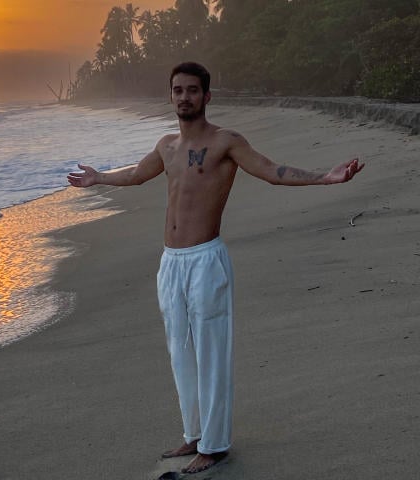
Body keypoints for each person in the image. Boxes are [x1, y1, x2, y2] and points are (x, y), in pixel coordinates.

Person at [67, 61, 364, 474]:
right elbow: (136, 175)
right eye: (178, 90)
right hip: (171, 263)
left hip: (205, 259)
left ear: (206, 96)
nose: (184, 97)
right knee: (180, 351)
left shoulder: (226, 142)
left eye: (192, 90)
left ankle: (215, 444)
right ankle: (194, 433)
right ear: (170, 96)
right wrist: (99, 177)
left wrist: (325, 178)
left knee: (211, 351)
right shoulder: (166, 146)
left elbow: (271, 172)